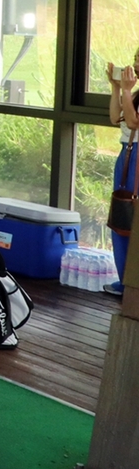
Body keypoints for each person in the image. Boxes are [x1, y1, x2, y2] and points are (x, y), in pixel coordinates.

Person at [106, 53, 139, 295]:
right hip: (127, 154)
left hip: (136, 157)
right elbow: (115, 117)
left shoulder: (134, 94)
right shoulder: (135, 94)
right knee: (121, 214)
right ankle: (124, 280)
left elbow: (134, 121)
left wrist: (127, 92)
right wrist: (116, 89)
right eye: (136, 58)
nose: (135, 64)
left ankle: (131, 283)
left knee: (131, 215)